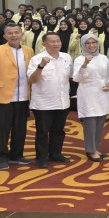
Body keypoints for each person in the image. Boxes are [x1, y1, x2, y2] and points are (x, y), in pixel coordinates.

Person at [0, 23, 34, 171]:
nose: (14, 35)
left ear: (22, 34)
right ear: (4, 36)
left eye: (16, 32)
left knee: (20, 129)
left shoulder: (29, 50)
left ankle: (17, 155)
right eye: (10, 33)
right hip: (2, 96)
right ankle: (1, 157)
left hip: (23, 96)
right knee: (1, 130)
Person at [27, 33, 72, 168]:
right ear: (44, 44)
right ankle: (41, 158)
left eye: (58, 41)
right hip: (43, 103)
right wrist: (41, 66)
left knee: (59, 130)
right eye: (52, 41)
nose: (56, 44)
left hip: (62, 101)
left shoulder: (66, 57)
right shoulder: (36, 59)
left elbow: (70, 77)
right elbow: (32, 80)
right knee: (42, 132)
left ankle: (55, 154)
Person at [73, 33, 109, 162]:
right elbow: (77, 78)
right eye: (88, 43)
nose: (91, 45)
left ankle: (95, 148)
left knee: (100, 123)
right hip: (88, 94)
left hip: (103, 94)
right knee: (90, 124)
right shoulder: (79, 59)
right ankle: (90, 150)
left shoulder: (103, 58)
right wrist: (85, 64)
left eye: (94, 42)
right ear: (83, 45)